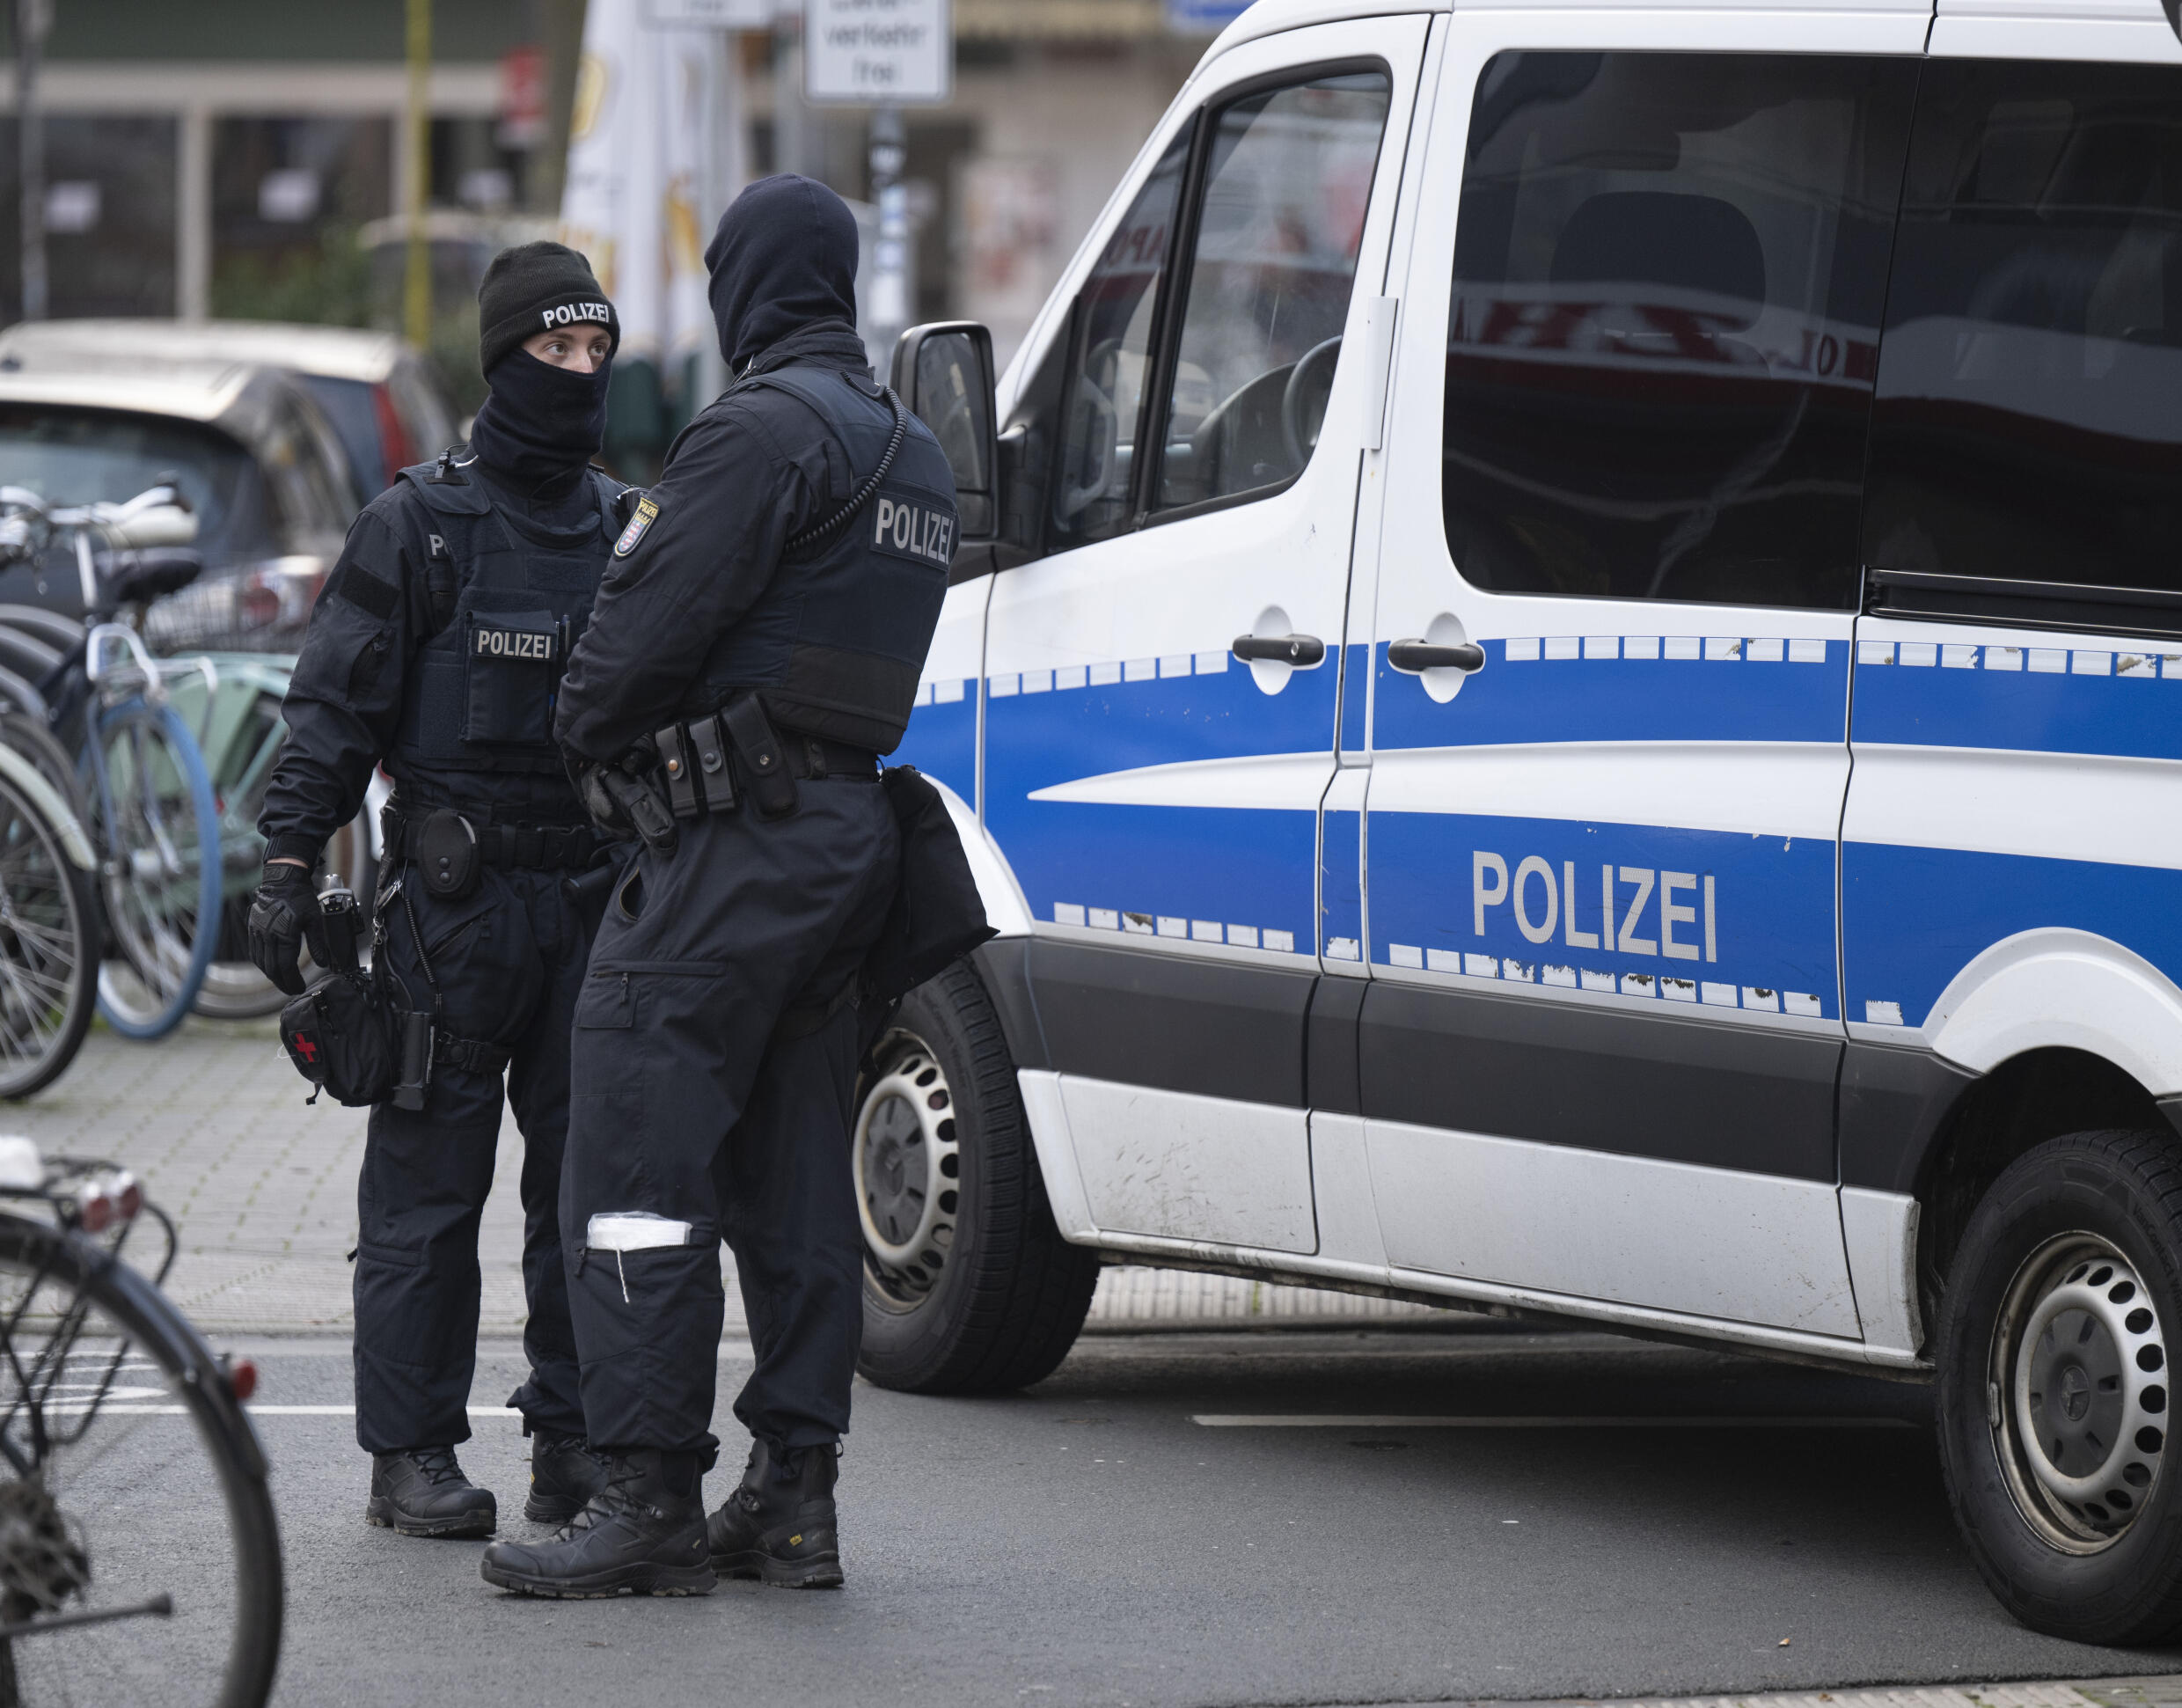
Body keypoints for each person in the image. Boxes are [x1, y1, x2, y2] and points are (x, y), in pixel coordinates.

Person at [477, 175, 959, 1600]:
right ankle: (794, 1496)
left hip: (726, 850)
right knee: (795, 1171)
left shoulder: (757, 432)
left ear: (747, 286)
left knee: (628, 1156)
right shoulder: (915, 455)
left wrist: (596, 739)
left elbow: (625, 653)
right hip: (849, 847)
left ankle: (642, 1492)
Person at [249, 243, 626, 1540]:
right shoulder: (416, 523)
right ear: (504, 356)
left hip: (591, 901)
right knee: (425, 1198)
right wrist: (288, 865)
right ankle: (410, 1452)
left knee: (586, 1195)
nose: (578, 375)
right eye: (555, 351)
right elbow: (330, 713)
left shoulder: (626, 532)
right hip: (451, 917)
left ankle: (574, 1443)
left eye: (596, 354)